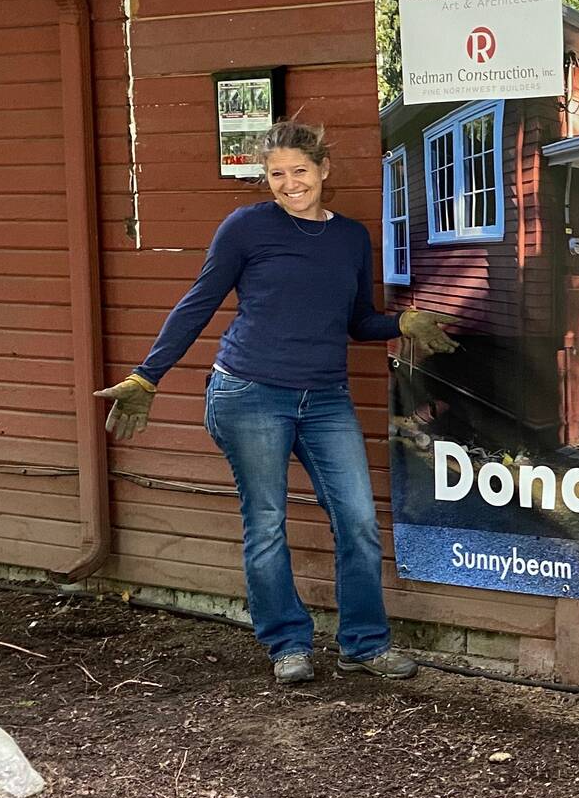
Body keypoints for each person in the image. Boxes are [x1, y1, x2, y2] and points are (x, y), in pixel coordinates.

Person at [94, 122, 459, 687]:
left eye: (300, 171)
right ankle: (287, 644)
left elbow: (357, 320)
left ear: (324, 170)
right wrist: (148, 375)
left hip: (325, 399)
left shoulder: (351, 238)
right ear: (266, 178)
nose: (290, 184)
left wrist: (401, 323)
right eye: (277, 174)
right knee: (266, 523)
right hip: (250, 393)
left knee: (358, 521)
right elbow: (199, 302)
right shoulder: (247, 228)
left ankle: (363, 643)